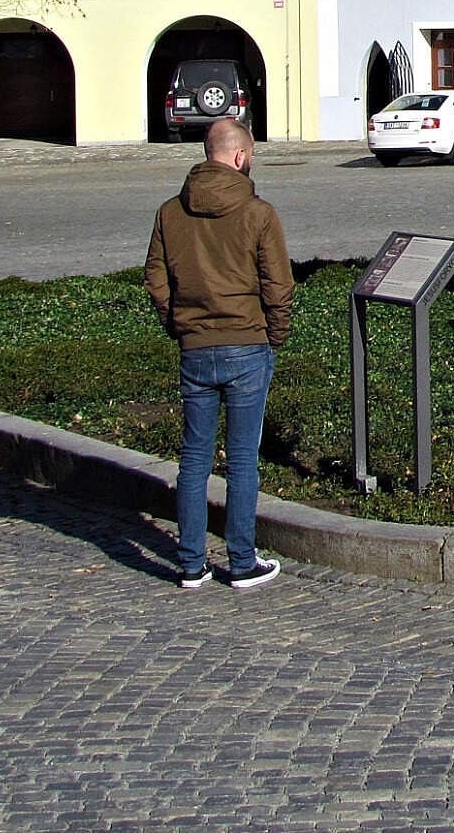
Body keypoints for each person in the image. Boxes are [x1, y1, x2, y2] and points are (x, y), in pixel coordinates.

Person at [144, 117, 294, 588]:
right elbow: (278, 284)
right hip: (247, 343)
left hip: (195, 346)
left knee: (193, 457)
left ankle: (191, 563)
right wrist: (275, 334)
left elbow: (155, 277)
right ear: (238, 156)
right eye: (250, 155)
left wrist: (179, 323)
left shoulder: (171, 211)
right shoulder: (258, 212)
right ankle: (242, 560)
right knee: (243, 458)